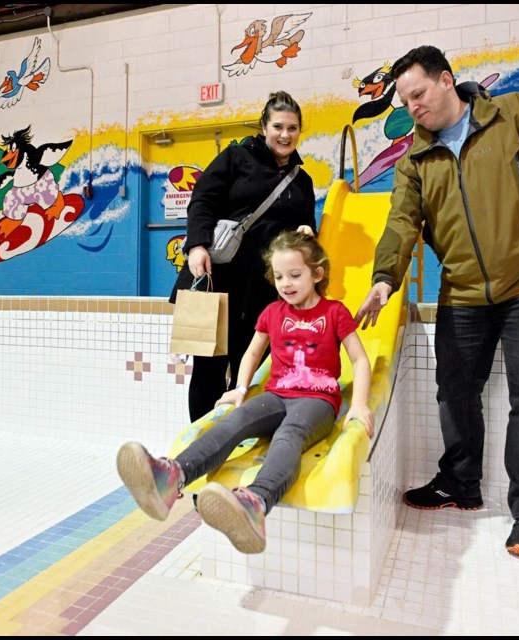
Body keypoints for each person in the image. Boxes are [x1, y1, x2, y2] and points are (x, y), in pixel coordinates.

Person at [355, 45, 519, 560]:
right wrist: (384, 279)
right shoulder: (415, 160)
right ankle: (460, 484)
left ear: (447, 81)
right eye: (405, 100)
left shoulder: (514, 115)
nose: (413, 106)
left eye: (418, 93)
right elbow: (402, 222)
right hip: (462, 292)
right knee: (454, 392)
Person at [121, 230, 373, 554]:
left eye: (295, 275)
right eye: (280, 276)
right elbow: (253, 353)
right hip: (277, 394)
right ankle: (171, 477)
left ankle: (256, 502)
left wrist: (360, 405)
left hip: (317, 401)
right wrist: (240, 388)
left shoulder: (334, 312)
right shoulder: (273, 313)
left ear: (317, 274)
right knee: (234, 422)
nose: (286, 283)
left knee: (289, 436)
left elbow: (360, 359)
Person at [171, 91, 317, 422]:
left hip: (263, 290)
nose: (285, 135)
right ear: (264, 127)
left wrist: (308, 231)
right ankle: (201, 443)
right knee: (208, 369)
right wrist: (196, 245)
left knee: (247, 370)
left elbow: (307, 225)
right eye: (278, 126)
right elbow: (202, 200)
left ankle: (238, 441)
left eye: (293, 128)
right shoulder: (236, 158)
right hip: (216, 280)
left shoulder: (302, 181)